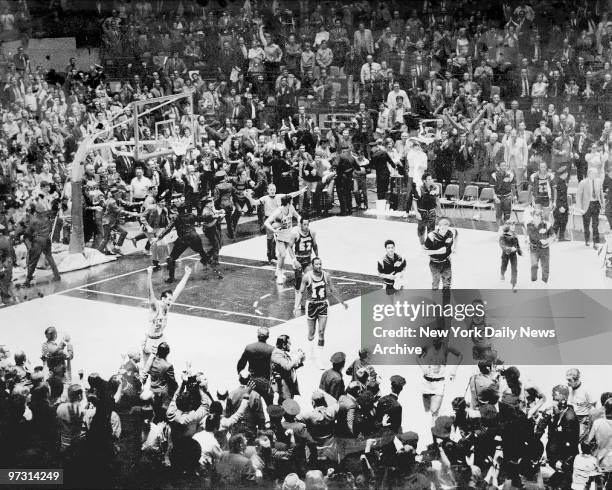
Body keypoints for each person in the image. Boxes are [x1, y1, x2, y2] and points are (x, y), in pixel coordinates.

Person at [294, 257, 347, 369]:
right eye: (317, 264)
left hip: (323, 304)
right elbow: (300, 292)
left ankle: (319, 358)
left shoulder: (326, 275)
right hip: (311, 305)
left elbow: (333, 290)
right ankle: (311, 353)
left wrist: (342, 302)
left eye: (320, 264)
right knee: (311, 333)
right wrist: (296, 306)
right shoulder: (306, 277)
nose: (319, 266)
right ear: (313, 265)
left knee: (321, 332)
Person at [142, 265, 192, 371]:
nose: (171, 301)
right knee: (148, 368)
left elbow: (178, 289)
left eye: (171, 299)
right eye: (169, 299)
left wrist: (187, 274)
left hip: (160, 338)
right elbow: (150, 293)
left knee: (163, 365)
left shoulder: (167, 306)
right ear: (163, 299)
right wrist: (149, 275)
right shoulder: (156, 307)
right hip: (150, 341)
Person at [153, 202, 207, 283]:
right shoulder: (191, 215)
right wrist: (213, 216)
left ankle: (171, 278)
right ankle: (213, 268)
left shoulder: (176, 218)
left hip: (183, 239)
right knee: (202, 253)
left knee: (172, 258)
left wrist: (158, 237)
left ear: (177, 210)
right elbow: (202, 218)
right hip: (195, 237)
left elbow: (168, 229)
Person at [417, 338, 463, 423]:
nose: (435, 341)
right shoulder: (427, 346)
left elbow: (460, 355)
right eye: (433, 338)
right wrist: (423, 367)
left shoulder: (446, 347)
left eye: (437, 339)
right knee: (426, 411)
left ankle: (433, 431)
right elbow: (418, 356)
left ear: (441, 339)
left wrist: (454, 370)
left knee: (434, 412)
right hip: (426, 382)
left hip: (439, 382)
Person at [264, 195, 300, 284]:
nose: (293, 203)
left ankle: (278, 270)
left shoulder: (291, 208)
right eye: (292, 202)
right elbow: (266, 222)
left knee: (283, 255)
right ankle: (279, 273)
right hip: (280, 234)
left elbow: (298, 216)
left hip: (288, 233)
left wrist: (299, 222)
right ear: (288, 203)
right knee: (283, 254)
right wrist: (273, 230)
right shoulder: (278, 212)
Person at [236, 327, 274, 404]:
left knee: (248, 403)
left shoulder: (249, 347)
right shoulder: (272, 349)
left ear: (257, 336)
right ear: (268, 337)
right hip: (265, 382)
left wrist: (240, 374)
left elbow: (241, 363)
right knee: (270, 404)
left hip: (252, 381)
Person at [423, 217, 458, 293]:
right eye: (442, 228)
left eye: (446, 228)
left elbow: (456, 234)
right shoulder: (431, 236)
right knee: (436, 283)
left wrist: (455, 247)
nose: (444, 231)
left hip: (446, 262)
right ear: (439, 227)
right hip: (435, 263)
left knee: (447, 283)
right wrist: (437, 251)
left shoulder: (450, 233)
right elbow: (424, 252)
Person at [270, 334, 305, 405]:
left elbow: (291, 367)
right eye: (289, 344)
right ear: (284, 345)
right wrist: (297, 357)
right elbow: (287, 366)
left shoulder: (282, 353)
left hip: (289, 385)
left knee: (288, 404)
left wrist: (301, 360)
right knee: (287, 406)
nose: (290, 346)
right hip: (283, 387)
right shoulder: (276, 354)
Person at [575, 167, 605, 249]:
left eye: (596, 174)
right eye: (593, 173)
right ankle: (587, 240)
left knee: (595, 224)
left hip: (596, 204)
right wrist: (579, 207)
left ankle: (596, 242)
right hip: (586, 206)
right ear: (588, 174)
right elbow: (578, 195)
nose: (594, 175)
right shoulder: (583, 182)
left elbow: (601, 194)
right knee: (586, 224)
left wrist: (602, 204)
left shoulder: (598, 181)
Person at [288, 217, 319, 294]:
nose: (306, 226)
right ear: (300, 225)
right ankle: (297, 302)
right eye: (304, 224)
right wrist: (294, 261)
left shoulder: (312, 233)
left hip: (308, 260)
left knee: (310, 280)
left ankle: (311, 300)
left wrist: (317, 256)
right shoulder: (295, 234)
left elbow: (314, 245)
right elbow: (289, 247)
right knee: (298, 283)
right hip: (298, 260)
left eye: (307, 224)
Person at [525, 210, 555, 283]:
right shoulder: (529, 225)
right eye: (536, 215)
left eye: (539, 216)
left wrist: (547, 241)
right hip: (533, 249)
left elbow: (553, 236)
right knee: (534, 266)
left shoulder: (547, 225)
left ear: (541, 217)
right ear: (533, 216)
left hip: (544, 249)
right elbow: (527, 236)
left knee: (545, 267)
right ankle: (534, 281)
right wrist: (527, 243)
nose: (537, 217)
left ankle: (544, 282)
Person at [412, 172, 441, 245]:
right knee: (421, 231)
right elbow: (414, 201)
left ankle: (429, 246)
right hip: (422, 212)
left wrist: (438, 211)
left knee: (431, 232)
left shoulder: (435, 187)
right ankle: (422, 245)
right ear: (424, 181)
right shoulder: (419, 189)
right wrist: (416, 213)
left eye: (431, 179)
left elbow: (437, 199)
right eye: (429, 179)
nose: (431, 180)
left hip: (431, 212)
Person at [499, 221, 522, 291]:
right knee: (504, 266)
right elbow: (502, 245)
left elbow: (517, 245)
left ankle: (513, 284)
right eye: (511, 225)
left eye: (514, 225)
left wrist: (519, 252)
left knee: (514, 269)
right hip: (505, 254)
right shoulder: (503, 235)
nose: (513, 226)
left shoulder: (515, 235)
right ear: (507, 226)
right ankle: (502, 273)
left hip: (513, 255)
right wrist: (509, 249)